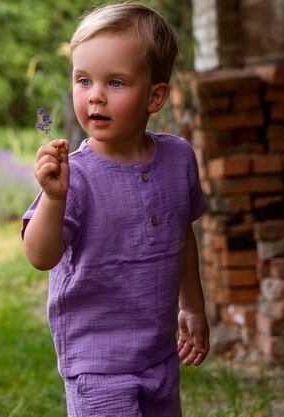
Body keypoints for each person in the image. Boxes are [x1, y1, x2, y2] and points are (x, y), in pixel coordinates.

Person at [21, 2, 210, 416]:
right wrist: (53, 198)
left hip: (159, 355)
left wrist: (192, 307)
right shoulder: (76, 177)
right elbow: (40, 255)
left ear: (155, 96)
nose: (95, 97)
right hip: (96, 364)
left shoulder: (178, 159)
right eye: (83, 80)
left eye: (116, 83)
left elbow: (182, 236)